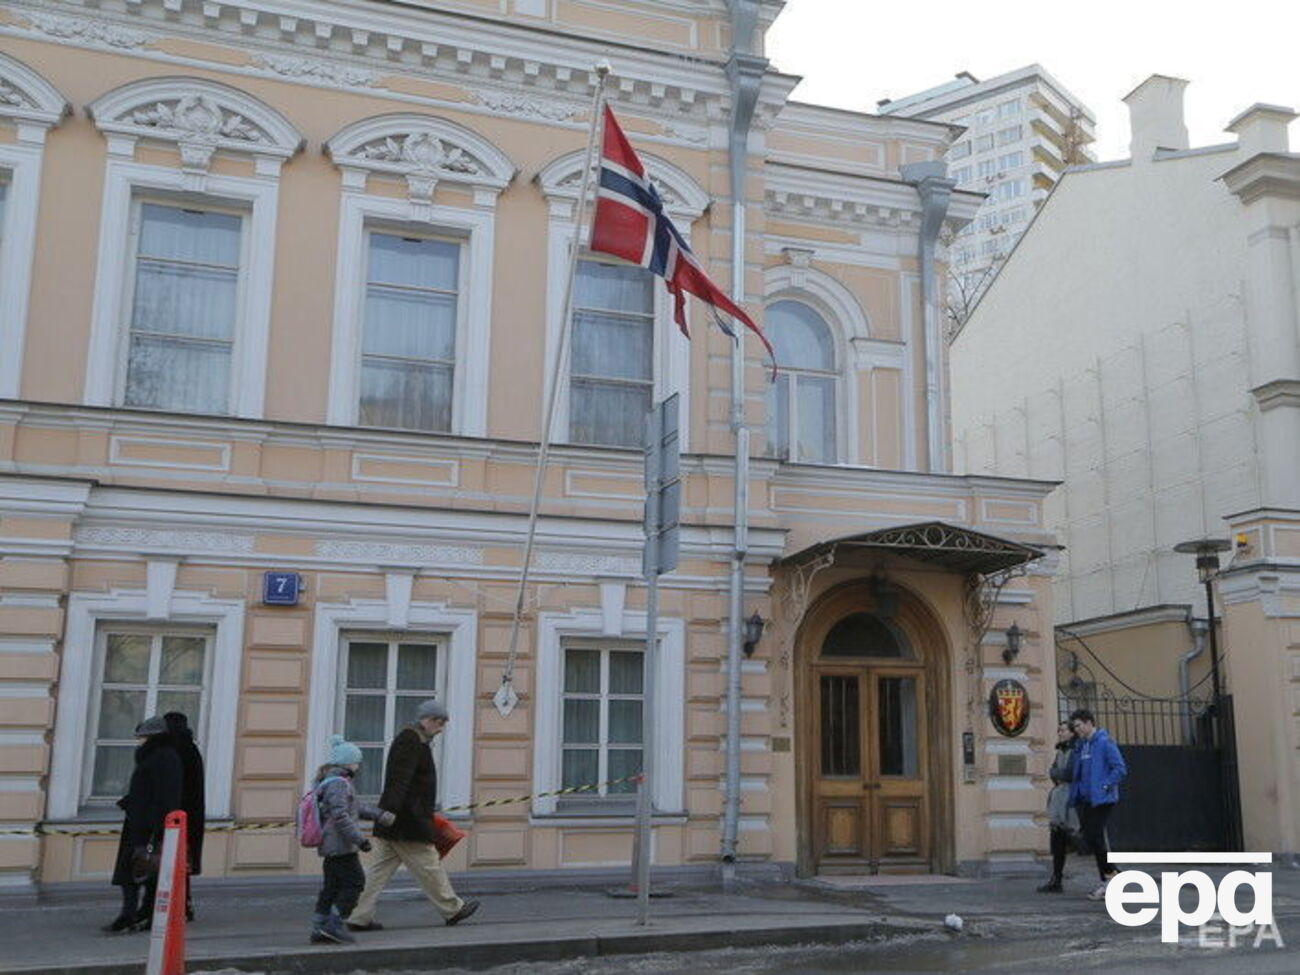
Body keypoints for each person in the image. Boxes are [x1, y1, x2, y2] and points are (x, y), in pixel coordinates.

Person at [347, 699, 479, 932]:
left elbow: (400, 780)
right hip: (407, 820)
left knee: (377, 872)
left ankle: (357, 916)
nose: (441, 729)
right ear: (427, 720)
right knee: (428, 865)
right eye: (439, 723)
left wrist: (387, 815)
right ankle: (453, 908)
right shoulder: (411, 741)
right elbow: (401, 779)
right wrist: (391, 813)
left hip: (398, 820)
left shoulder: (414, 740)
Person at [309, 735, 395, 944]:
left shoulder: (333, 781)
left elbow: (354, 808)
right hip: (340, 845)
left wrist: (380, 815)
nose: (358, 765)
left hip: (332, 845)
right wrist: (360, 840)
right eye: (357, 761)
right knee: (355, 883)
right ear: (347, 763)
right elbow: (341, 816)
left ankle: (319, 927)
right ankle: (334, 924)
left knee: (331, 887)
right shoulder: (339, 784)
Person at [103, 715, 182, 933]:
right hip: (141, 822)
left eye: (142, 736)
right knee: (139, 872)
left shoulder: (161, 758)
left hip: (146, 826)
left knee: (139, 872)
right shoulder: (159, 756)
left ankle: (133, 915)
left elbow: (163, 796)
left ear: (151, 736)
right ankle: (140, 913)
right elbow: (147, 790)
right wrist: (130, 801)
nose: (139, 740)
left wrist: (154, 826)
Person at [1068, 708, 1127, 900]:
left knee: (1094, 837)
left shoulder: (1104, 742)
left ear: (1088, 723)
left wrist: (1105, 785)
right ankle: (1112, 878)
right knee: (1092, 839)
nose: (1076, 730)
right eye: (1075, 726)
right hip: (1086, 800)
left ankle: (1111, 878)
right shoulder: (1083, 746)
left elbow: (1119, 769)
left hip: (1102, 799)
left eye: (1078, 726)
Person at [163, 712, 205, 922]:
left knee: (171, 863)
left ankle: (175, 904)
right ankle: (184, 903)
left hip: (175, 818)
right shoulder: (192, 749)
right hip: (191, 818)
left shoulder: (174, 752)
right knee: (183, 865)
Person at [1037, 720, 1080, 893]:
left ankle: (1110, 875)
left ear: (1071, 733)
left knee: (1086, 839)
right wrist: (1057, 774)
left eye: (1063, 730)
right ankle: (1056, 878)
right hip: (1058, 800)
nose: (1060, 733)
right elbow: (1053, 771)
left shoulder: (1076, 750)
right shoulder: (1060, 750)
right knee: (1057, 840)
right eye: (1059, 730)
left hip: (1071, 800)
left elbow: (1069, 773)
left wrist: (1058, 774)